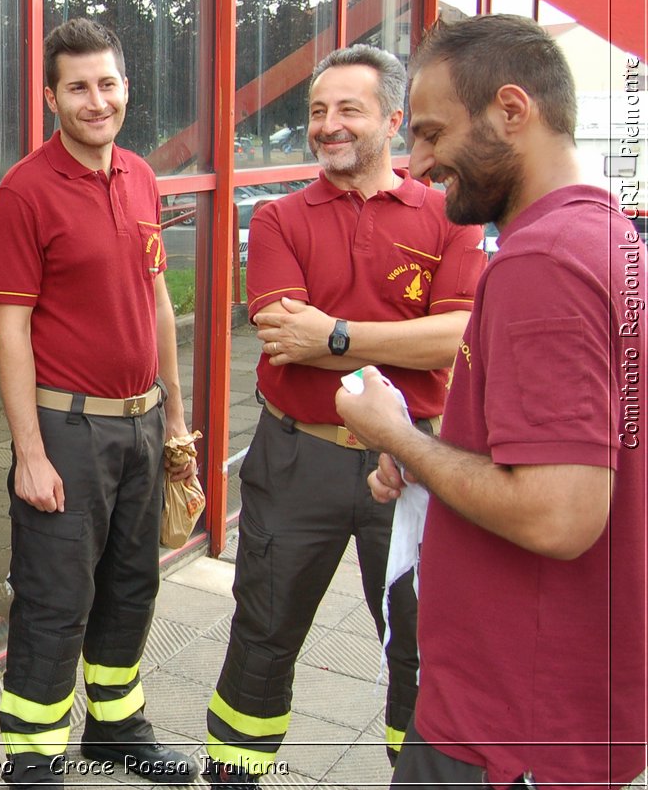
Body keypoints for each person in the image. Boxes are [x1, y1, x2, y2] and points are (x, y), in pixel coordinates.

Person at [338, 14, 647, 789]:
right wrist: (430, 460)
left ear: (513, 110)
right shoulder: (605, 239)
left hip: (507, 728)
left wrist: (402, 439)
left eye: (435, 131)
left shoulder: (543, 264)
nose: (419, 159)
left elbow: (559, 513)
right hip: (556, 707)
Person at [202, 45, 484, 788]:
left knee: (420, 636)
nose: (328, 126)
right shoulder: (277, 219)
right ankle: (235, 768)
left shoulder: (450, 219)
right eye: (318, 111)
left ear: (393, 120)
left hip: (417, 458)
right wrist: (400, 345)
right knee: (264, 623)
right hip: (298, 456)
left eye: (347, 109)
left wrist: (333, 336)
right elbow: (280, 336)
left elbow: (455, 339)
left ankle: (416, 770)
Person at [0, 18, 198, 786]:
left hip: (141, 421)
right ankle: (33, 758)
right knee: (55, 594)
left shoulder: (141, 177)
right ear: (51, 97)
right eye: (77, 86)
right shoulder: (24, 193)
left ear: (126, 90)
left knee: (133, 581)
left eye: (107, 83)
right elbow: (10, 332)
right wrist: (30, 456)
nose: (95, 99)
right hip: (66, 428)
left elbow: (158, 301)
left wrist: (174, 418)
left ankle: (116, 725)